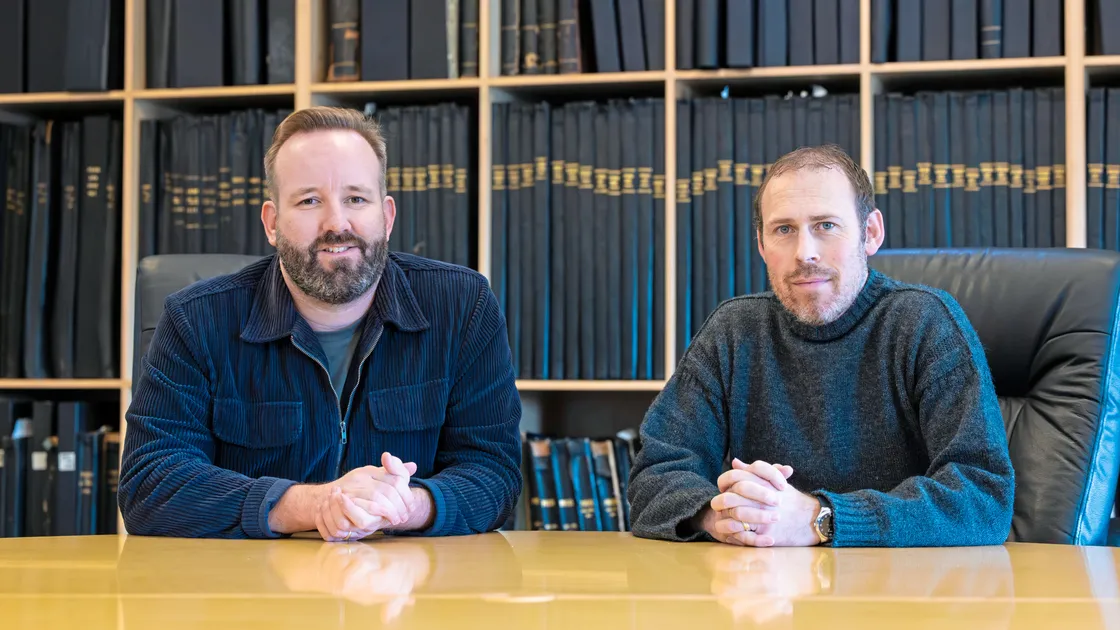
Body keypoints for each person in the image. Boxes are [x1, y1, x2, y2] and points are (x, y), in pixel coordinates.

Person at [118, 106, 522, 541]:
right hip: (253, 596)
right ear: (272, 223)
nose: (337, 224)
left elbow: (494, 472)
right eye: (309, 200)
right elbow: (149, 484)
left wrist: (405, 506)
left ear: (386, 217)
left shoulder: (462, 306)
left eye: (356, 198)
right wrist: (315, 505)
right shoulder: (196, 319)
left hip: (407, 592)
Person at [627, 144, 1015, 548]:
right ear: (761, 245)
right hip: (765, 596)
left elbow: (983, 498)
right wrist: (717, 513)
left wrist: (820, 518)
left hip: (901, 595)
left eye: (826, 225)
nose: (805, 253)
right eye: (784, 230)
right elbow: (654, 476)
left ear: (871, 233)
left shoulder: (926, 324)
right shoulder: (734, 330)